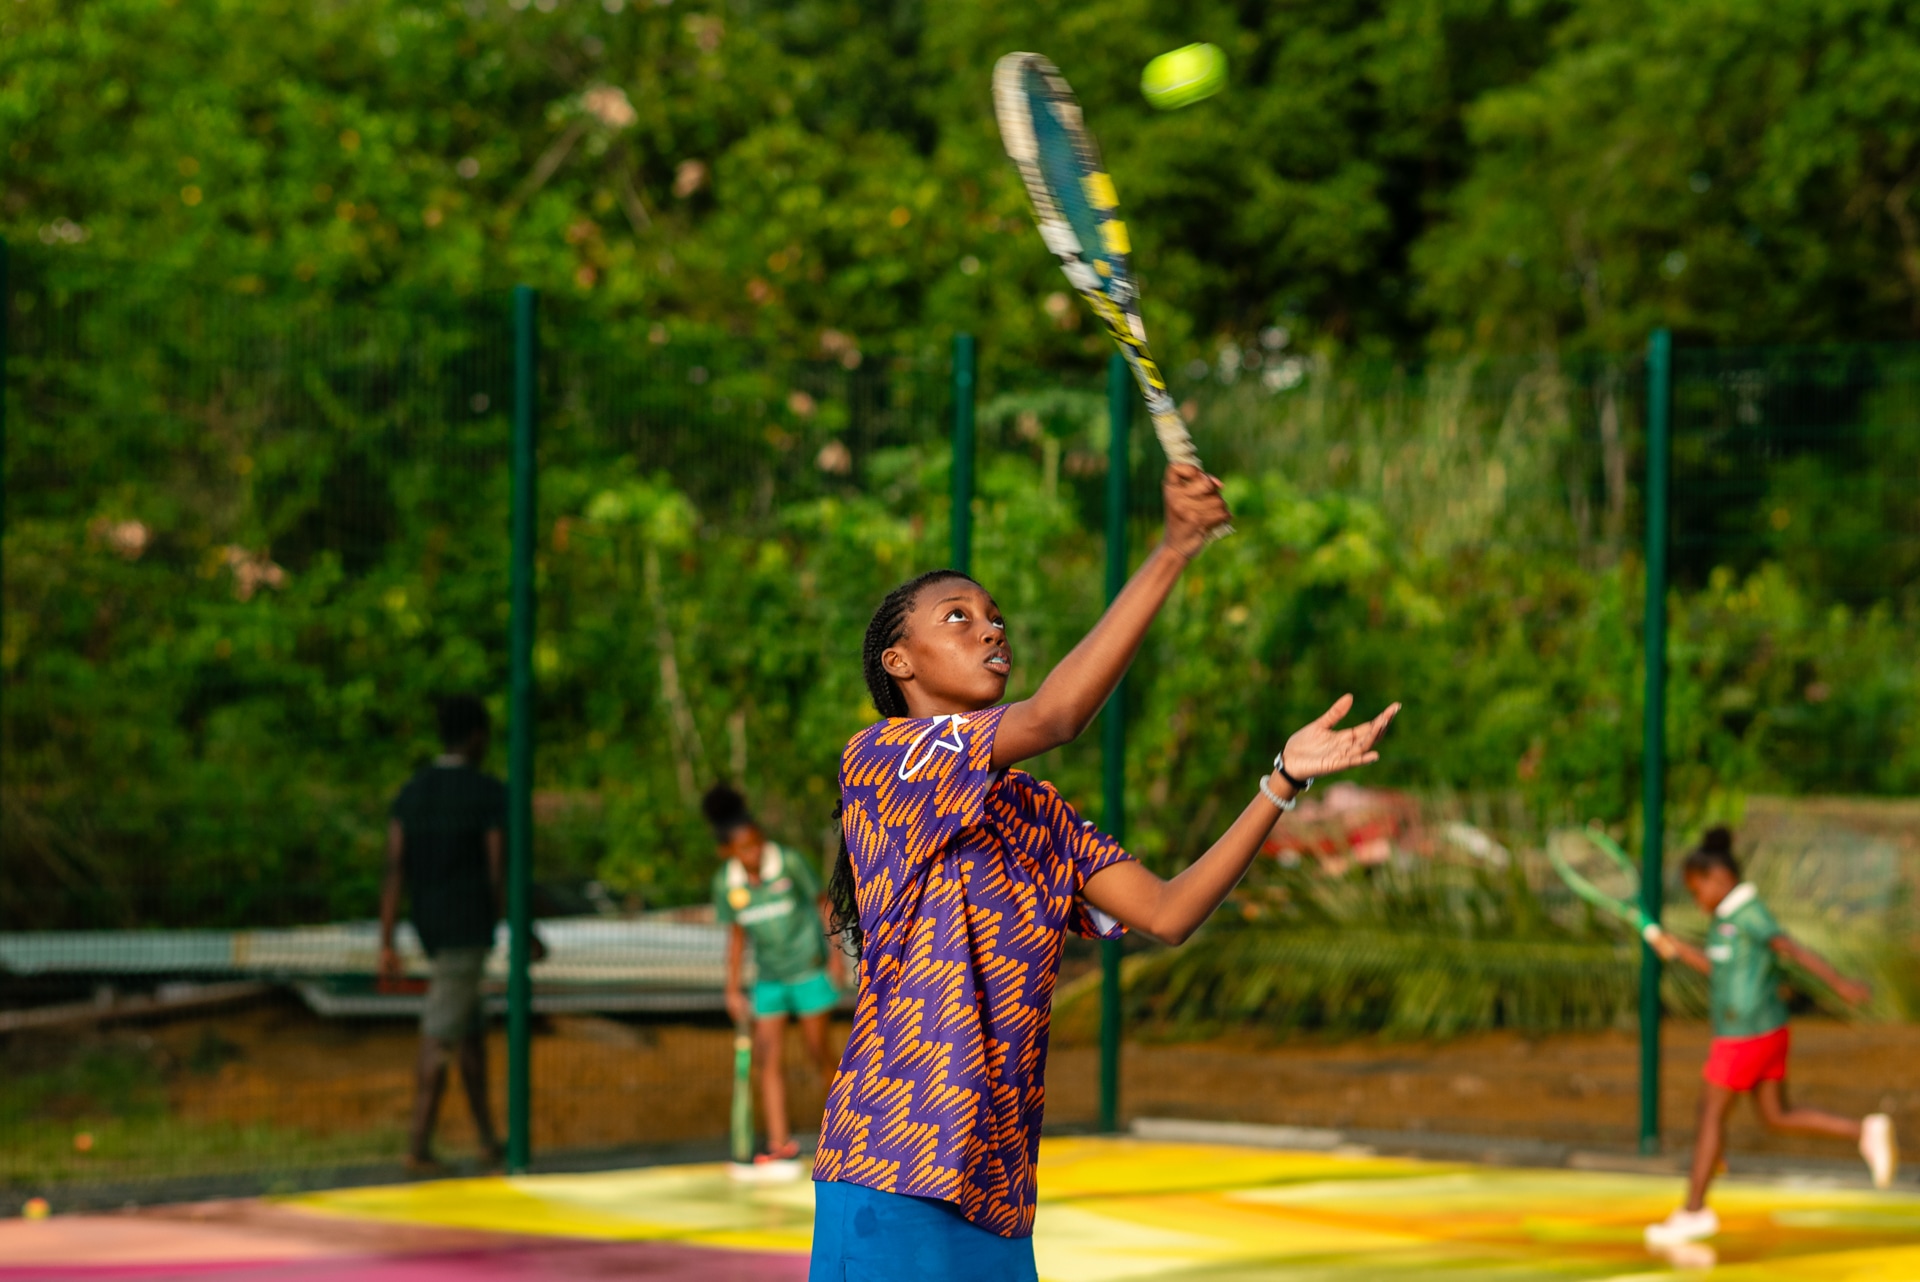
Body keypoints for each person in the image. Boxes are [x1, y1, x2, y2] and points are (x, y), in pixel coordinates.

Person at [809, 464, 1400, 1282]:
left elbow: (1167, 912)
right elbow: (1057, 715)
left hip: (996, 1191)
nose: (990, 631)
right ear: (900, 663)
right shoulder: (884, 759)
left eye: (995, 619)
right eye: (959, 618)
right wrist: (1173, 549)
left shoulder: (1037, 814)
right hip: (890, 1175)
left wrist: (1281, 781)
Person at [1643, 826, 1899, 1248]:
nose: (1696, 900)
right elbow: (1721, 967)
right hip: (1762, 1033)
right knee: (1774, 1115)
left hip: (1744, 1037)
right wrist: (1675, 948)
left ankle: (1693, 1210)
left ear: (1719, 881)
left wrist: (1839, 984)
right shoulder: (1728, 920)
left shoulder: (1748, 912)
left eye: (1696, 891)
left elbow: (1791, 948)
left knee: (1710, 1115)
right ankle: (1865, 1132)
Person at [379, 695, 508, 1174]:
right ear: (476, 737)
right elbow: (498, 868)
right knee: (440, 1033)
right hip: (467, 930)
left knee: (471, 1031)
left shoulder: (413, 792)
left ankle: (488, 1141)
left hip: (430, 926)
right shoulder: (487, 793)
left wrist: (387, 939)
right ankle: (418, 1145)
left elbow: (394, 868)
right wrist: (512, 920)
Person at [706, 782, 846, 1164]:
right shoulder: (726, 884)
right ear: (729, 853)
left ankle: (846, 1135)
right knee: (768, 1060)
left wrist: (836, 957)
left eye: (756, 844)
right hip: (768, 981)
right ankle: (780, 1144)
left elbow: (824, 904)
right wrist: (732, 990)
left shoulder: (788, 862)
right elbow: (736, 938)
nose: (753, 853)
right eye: (744, 849)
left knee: (820, 1052)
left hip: (809, 972)